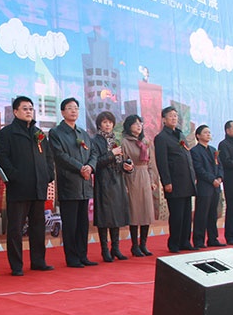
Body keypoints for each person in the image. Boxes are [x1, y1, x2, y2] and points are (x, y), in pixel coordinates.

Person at [0, 96, 55, 276]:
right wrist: (15, 176)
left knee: (38, 227)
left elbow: (48, 157)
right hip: (18, 188)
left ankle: (38, 261)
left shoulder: (38, 133)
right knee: (15, 228)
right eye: (25, 108)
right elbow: (1, 158)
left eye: (30, 108)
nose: (29, 111)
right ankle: (16, 265)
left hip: (38, 187)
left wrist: (48, 175)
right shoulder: (7, 133)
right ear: (15, 112)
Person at [49, 97, 98, 268]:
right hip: (69, 183)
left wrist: (90, 167)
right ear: (62, 112)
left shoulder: (83, 133)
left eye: (76, 108)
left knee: (83, 223)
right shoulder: (56, 133)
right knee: (70, 224)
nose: (73, 111)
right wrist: (80, 168)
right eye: (70, 108)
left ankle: (83, 255)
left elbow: (93, 153)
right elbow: (59, 156)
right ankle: (72, 257)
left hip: (84, 184)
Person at [90, 111, 133, 262]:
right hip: (104, 182)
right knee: (104, 217)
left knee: (116, 216)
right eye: (104, 122)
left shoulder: (116, 139)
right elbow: (96, 162)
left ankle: (115, 248)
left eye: (110, 122)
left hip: (117, 181)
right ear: (99, 125)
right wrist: (112, 154)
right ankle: (104, 250)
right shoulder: (95, 141)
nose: (108, 125)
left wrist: (126, 167)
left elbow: (119, 161)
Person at [154, 106, 197, 253]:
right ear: (164, 119)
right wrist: (166, 182)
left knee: (187, 215)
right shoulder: (161, 138)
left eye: (176, 116)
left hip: (186, 181)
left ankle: (185, 241)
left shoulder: (180, 135)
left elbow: (187, 156)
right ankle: (174, 243)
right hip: (174, 182)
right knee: (177, 215)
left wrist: (193, 176)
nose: (174, 118)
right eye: (171, 116)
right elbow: (162, 162)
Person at [121, 114, 158, 257]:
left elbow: (151, 162)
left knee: (146, 211)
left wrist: (152, 180)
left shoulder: (146, 141)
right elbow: (123, 162)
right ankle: (134, 245)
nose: (138, 126)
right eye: (135, 123)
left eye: (140, 123)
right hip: (132, 177)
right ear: (128, 126)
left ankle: (144, 244)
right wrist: (125, 182)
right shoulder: (125, 142)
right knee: (135, 211)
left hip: (145, 176)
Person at [190, 125, 226, 248]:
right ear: (198, 135)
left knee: (213, 214)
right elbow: (199, 169)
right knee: (201, 214)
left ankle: (213, 238)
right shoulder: (195, 151)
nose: (208, 134)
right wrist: (212, 180)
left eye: (209, 132)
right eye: (205, 132)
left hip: (216, 187)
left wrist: (220, 178)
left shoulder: (213, 149)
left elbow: (220, 166)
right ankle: (198, 240)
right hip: (204, 186)